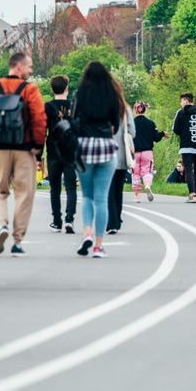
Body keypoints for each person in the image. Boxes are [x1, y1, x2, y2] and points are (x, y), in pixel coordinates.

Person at [0, 52, 46, 255]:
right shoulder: (29, 90)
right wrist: (38, 146)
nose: (31, 70)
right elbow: (39, 118)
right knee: (24, 194)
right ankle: (17, 241)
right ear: (18, 67)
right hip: (24, 149)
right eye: (29, 66)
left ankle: (2, 225)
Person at [72, 62, 126, 259]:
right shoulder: (112, 94)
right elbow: (116, 122)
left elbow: (74, 117)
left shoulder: (81, 93)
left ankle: (87, 232)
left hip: (84, 145)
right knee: (101, 198)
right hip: (105, 144)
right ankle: (98, 245)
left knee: (87, 196)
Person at [45, 75, 78, 233]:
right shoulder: (74, 105)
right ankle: (69, 219)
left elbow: (42, 129)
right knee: (71, 187)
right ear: (67, 88)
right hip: (70, 150)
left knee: (55, 188)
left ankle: (56, 220)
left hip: (53, 150)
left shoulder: (48, 106)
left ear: (52, 89)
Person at [106, 94, 135, 233]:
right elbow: (132, 132)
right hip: (122, 155)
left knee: (109, 189)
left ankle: (111, 222)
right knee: (118, 189)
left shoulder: (102, 108)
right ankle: (117, 219)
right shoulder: (126, 109)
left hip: (107, 154)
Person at [131, 102, 165, 203]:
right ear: (145, 110)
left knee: (135, 174)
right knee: (147, 172)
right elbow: (156, 138)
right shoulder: (150, 123)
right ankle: (147, 186)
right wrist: (162, 134)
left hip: (134, 152)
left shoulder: (131, 123)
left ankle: (137, 196)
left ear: (135, 110)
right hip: (147, 152)